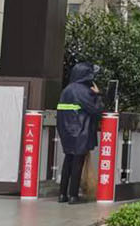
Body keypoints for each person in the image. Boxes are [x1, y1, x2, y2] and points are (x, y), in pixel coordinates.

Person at [57, 62, 104, 204]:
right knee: (78, 162)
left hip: (65, 131)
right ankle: (73, 196)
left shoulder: (66, 90)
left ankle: (62, 194)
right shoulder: (84, 91)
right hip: (81, 131)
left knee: (68, 161)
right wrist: (98, 95)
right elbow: (97, 109)